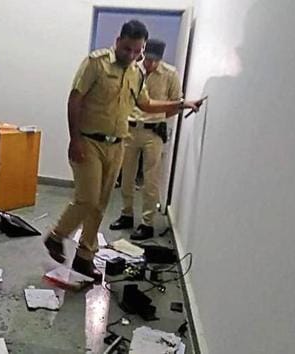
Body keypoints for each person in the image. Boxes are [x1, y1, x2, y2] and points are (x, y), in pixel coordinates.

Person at [44, 21, 204, 281]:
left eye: (136, 51)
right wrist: (75, 139)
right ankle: (56, 236)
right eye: (127, 49)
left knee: (101, 204)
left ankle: (85, 258)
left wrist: (182, 103)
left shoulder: (135, 73)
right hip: (89, 142)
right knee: (87, 198)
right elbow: (75, 99)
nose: (131, 55)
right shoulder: (95, 63)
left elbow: (146, 104)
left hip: (117, 144)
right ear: (118, 41)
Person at [109, 39, 182, 240]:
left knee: (151, 179)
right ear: (143, 54)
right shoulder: (132, 70)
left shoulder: (170, 74)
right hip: (130, 129)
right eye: (148, 59)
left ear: (161, 58)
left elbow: (175, 104)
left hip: (153, 132)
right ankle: (126, 214)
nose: (150, 64)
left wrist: (156, 119)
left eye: (155, 61)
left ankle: (147, 223)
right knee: (126, 175)